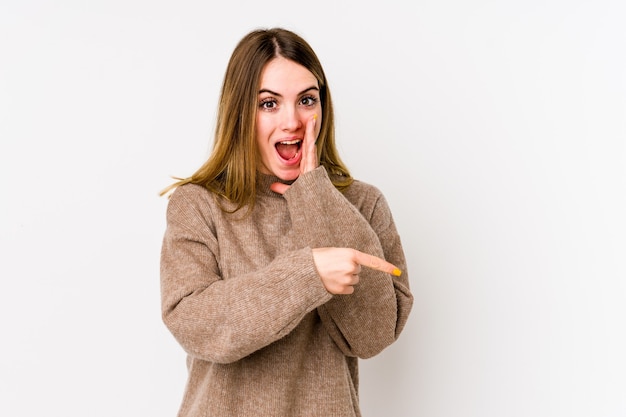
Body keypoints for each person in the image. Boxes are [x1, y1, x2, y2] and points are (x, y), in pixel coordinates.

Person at [159, 27, 413, 417]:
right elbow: (195, 323)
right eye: (269, 104)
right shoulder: (199, 204)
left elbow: (372, 336)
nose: (292, 121)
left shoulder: (363, 203)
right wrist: (307, 276)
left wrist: (315, 195)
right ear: (240, 111)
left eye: (306, 100)